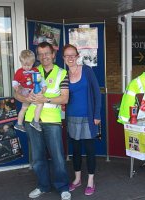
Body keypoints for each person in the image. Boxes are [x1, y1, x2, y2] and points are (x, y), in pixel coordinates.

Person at [14, 42, 71, 200]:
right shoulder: (30, 70)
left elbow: (64, 98)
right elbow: (16, 94)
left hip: (52, 120)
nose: (44, 56)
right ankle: (43, 186)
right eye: (41, 54)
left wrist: (45, 98)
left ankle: (63, 187)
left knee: (57, 156)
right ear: (37, 57)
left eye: (47, 53)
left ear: (53, 55)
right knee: (38, 157)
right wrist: (25, 97)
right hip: (31, 119)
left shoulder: (61, 73)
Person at [63, 44, 101, 196]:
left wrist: (97, 115)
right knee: (76, 150)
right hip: (72, 118)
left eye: (73, 55)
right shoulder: (63, 75)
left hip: (88, 117)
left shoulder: (87, 70)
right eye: (67, 55)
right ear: (64, 58)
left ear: (78, 56)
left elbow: (97, 93)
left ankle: (91, 180)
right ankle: (77, 179)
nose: (70, 58)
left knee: (90, 150)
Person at [12, 50, 47, 132]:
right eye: (24, 65)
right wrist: (16, 87)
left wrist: (44, 86)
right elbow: (15, 81)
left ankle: (19, 124)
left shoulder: (35, 71)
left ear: (33, 62)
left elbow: (40, 79)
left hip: (31, 91)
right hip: (24, 91)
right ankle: (35, 122)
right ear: (21, 62)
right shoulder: (19, 72)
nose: (27, 67)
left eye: (29, 65)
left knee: (24, 108)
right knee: (40, 103)